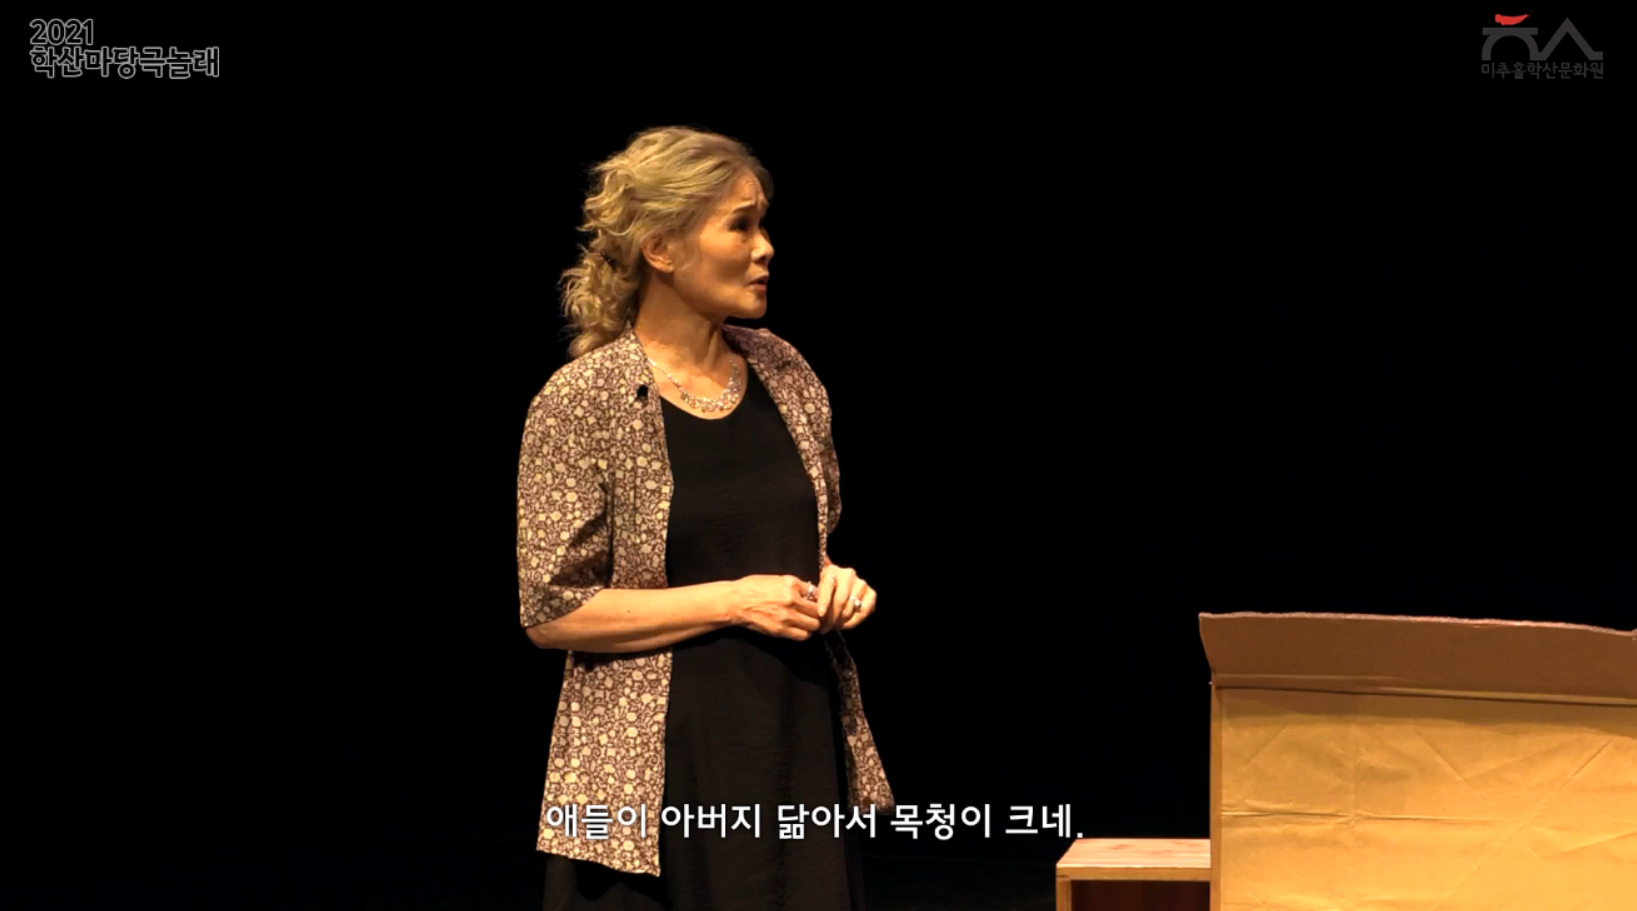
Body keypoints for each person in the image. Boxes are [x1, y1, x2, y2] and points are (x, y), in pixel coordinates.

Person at [520, 126, 895, 911]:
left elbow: (805, 545)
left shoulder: (784, 370)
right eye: (739, 225)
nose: (765, 248)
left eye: (763, 224)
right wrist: (733, 599)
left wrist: (836, 582)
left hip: (792, 745)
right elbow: (552, 609)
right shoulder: (583, 400)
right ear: (660, 247)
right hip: (660, 771)